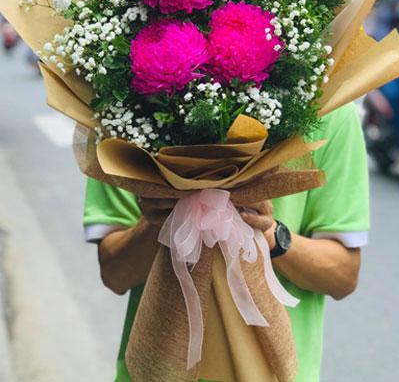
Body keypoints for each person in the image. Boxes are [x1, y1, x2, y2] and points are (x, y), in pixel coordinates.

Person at [84, 101, 369, 382]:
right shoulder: (129, 112)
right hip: (156, 371)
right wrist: (160, 220)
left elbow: (343, 275)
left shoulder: (329, 112)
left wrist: (269, 234)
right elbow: (114, 274)